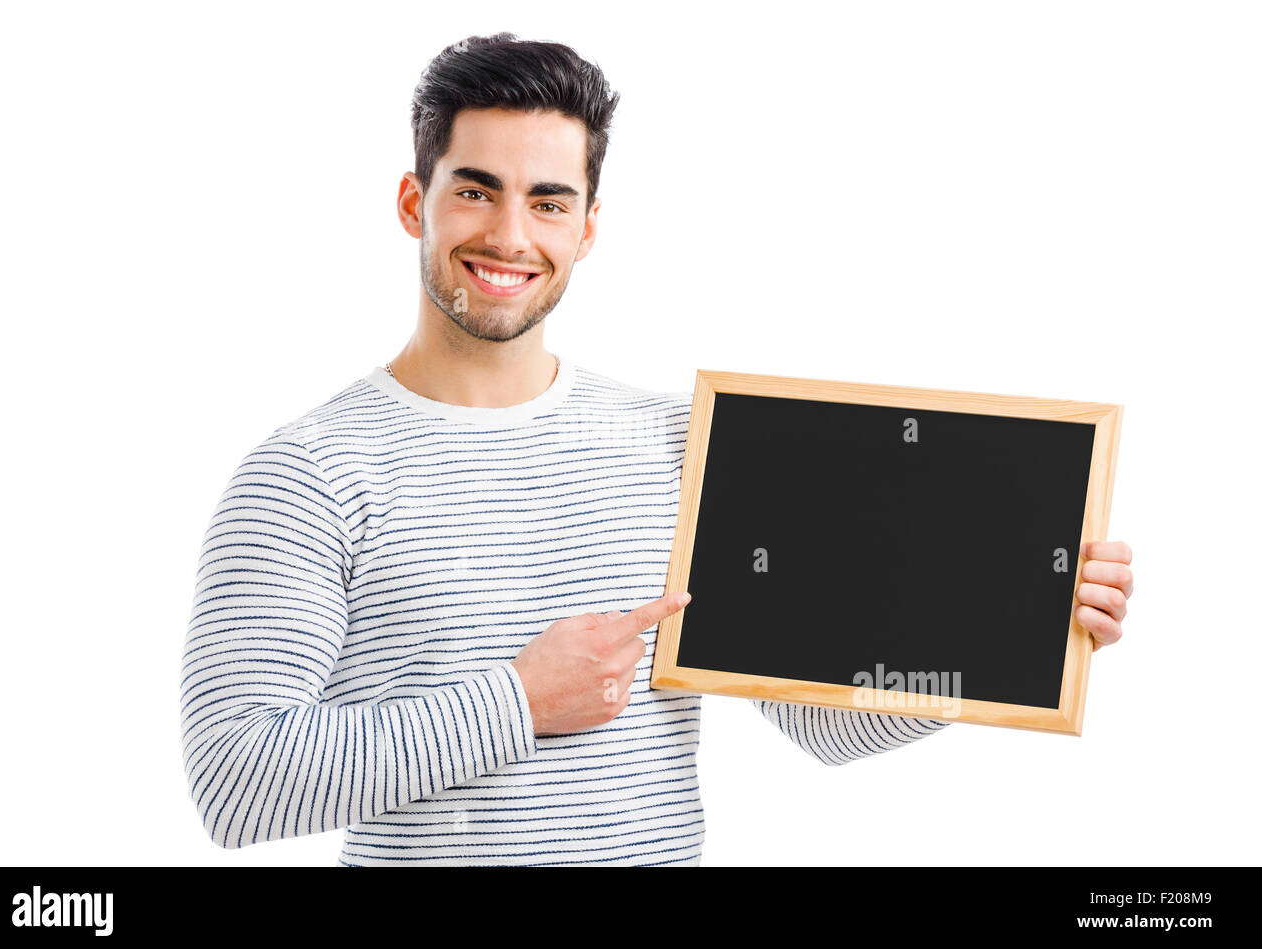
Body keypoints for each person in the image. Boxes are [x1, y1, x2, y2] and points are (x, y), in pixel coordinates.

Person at [180, 33, 1135, 866]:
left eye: (549, 202)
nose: (511, 236)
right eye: (477, 191)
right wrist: (518, 699)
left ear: (588, 227)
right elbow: (235, 784)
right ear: (411, 201)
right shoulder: (306, 474)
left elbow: (816, 723)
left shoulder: (682, 443)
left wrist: (1014, 628)